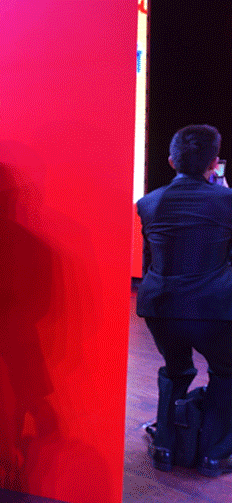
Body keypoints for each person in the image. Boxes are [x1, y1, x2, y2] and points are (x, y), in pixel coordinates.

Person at [136, 124, 232, 477]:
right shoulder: (227, 201)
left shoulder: (148, 203)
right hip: (213, 308)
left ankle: (164, 447)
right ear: (214, 163)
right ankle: (214, 455)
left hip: (160, 306)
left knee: (175, 370)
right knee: (226, 372)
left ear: (172, 161)